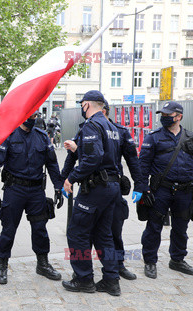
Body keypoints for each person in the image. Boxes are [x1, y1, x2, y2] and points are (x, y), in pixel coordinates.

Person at [62, 100, 144, 281]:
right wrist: (64, 178)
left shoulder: (115, 129)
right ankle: (110, 277)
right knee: (101, 233)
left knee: (107, 233)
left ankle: (108, 269)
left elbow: (131, 159)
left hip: (104, 188)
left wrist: (139, 185)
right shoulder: (88, 128)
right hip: (103, 188)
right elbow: (74, 157)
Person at [0, 114, 64, 285]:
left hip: (36, 191)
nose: (33, 118)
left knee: (40, 228)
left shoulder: (42, 136)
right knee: (8, 229)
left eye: (35, 115)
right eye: (30, 114)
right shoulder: (9, 135)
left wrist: (58, 187)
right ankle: (2, 265)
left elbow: (52, 164)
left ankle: (42, 264)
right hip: (14, 190)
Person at [62, 90, 122, 296]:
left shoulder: (92, 124)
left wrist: (71, 177)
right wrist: (78, 149)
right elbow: (103, 155)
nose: (82, 108)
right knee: (103, 234)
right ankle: (111, 280)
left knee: (77, 232)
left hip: (96, 188)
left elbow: (93, 159)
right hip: (111, 187)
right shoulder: (110, 126)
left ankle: (84, 279)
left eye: (82, 104)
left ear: (87, 104)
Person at [139, 101, 193, 279]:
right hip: (161, 189)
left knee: (181, 226)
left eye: (168, 115)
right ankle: (150, 261)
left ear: (179, 117)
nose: (164, 118)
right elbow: (143, 165)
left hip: (185, 191)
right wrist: (142, 188)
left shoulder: (189, 137)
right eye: (162, 115)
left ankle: (177, 260)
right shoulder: (153, 137)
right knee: (154, 225)